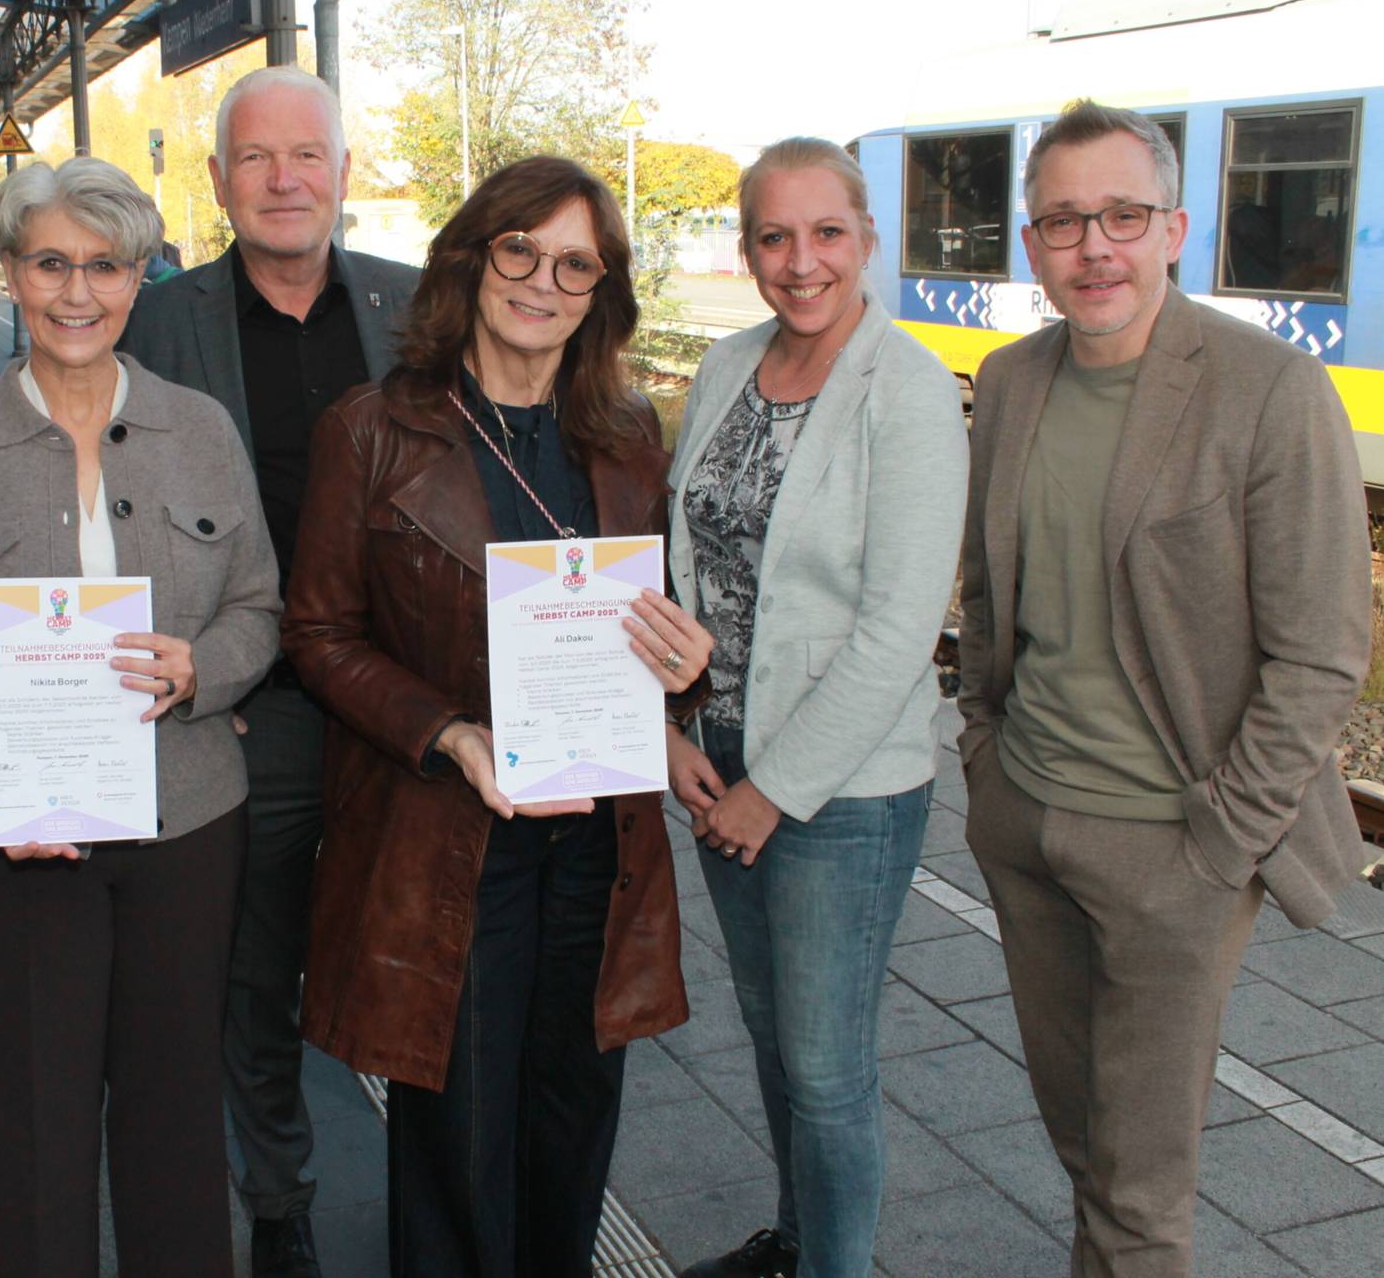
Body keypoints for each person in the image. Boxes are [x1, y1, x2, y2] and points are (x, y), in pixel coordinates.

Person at [959, 100, 1371, 1276]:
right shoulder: (1014, 378)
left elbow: (1324, 650)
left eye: (1123, 215)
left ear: (1175, 225)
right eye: (1064, 220)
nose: (1096, 246)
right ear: (1033, 243)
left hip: (1171, 850)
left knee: (1142, 1199)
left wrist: (1220, 841)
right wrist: (985, 754)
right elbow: (989, 590)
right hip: (1026, 819)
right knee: (1083, 1148)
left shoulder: (1270, 390)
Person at [283, 156, 708, 1276]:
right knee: (459, 1139)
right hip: (449, 844)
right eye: (519, 250)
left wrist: (689, 664)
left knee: (571, 1129)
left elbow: (659, 625)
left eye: (577, 263)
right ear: (472, 260)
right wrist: (451, 733)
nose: (542, 281)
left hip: (597, 847)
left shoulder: (623, 429)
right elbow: (319, 635)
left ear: (602, 290)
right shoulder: (372, 429)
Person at [0, 157, 282, 1278]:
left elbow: (260, 605)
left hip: (188, 821)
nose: (77, 291)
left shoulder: (198, 429)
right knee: (40, 1128)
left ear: (138, 277)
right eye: (50, 261)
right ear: (11, 271)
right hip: (17, 841)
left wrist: (203, 668)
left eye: (104, 265)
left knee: (172, 1120)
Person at [118, 63, 419, 1278]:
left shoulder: (416, 308)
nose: (285, 178)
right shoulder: (159, 321)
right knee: (259, 973)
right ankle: (281, 1196)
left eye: (308, 154)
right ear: (218, 180)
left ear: (345, 172)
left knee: (418, 951)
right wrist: (195, 689)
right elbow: (109, 505)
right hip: (257, 708)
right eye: (257, 157)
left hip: (406, 704)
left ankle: (439, 1195)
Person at [664, 139, 968, 1278]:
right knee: (771, 1038)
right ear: (746, 248)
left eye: (826, 233)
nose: (801, 262)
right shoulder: (726, 363)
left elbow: (901, 632)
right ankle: (796, 1239)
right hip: (724, 752)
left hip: (840, 786)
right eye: (774, 237)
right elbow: (685, 564)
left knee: (829, 1065)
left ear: (866, 238)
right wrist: (681, 731)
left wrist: (773, 791)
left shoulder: (913, 390)